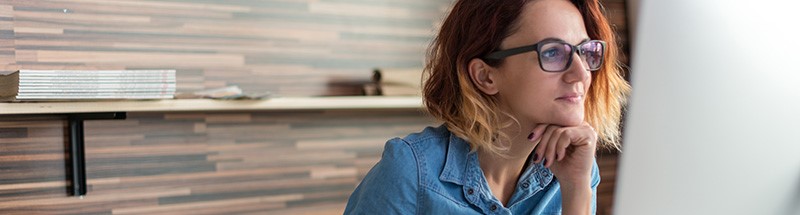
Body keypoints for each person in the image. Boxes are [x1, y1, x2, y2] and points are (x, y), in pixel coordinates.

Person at [344, 0, 630, 214]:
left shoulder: (576, 169)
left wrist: (577, 188)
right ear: (485, 75)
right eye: (553, 52)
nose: (581, 74)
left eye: (585, 51)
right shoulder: (411, 171)